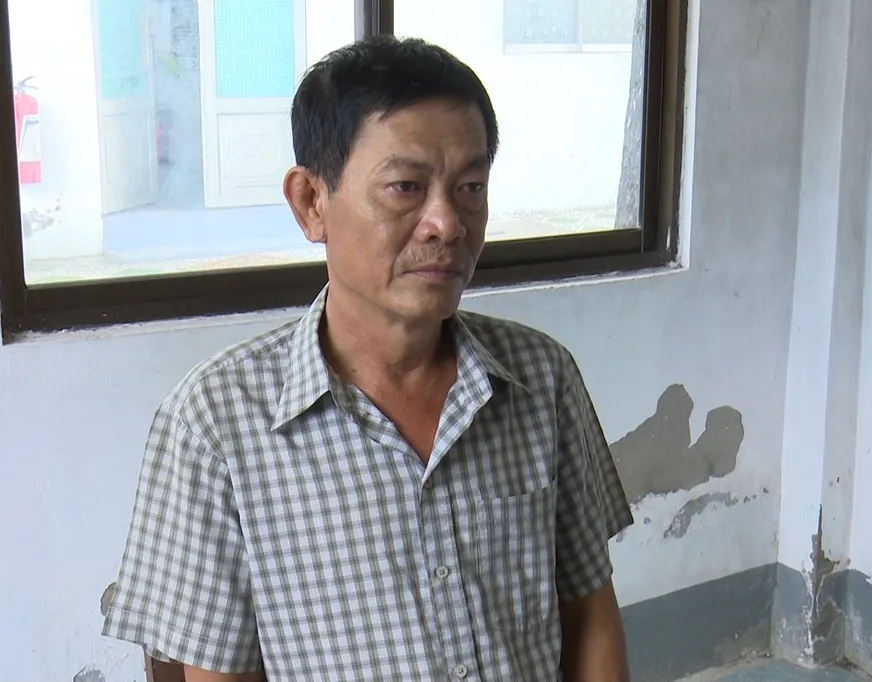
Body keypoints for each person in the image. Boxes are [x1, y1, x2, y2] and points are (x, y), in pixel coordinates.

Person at [102, 35, 634, 682]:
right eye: (405, 187)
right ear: (311, 202)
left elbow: (588, 612)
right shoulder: (215, 425)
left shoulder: (543, 379)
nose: (447, 223)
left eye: (470, 187)